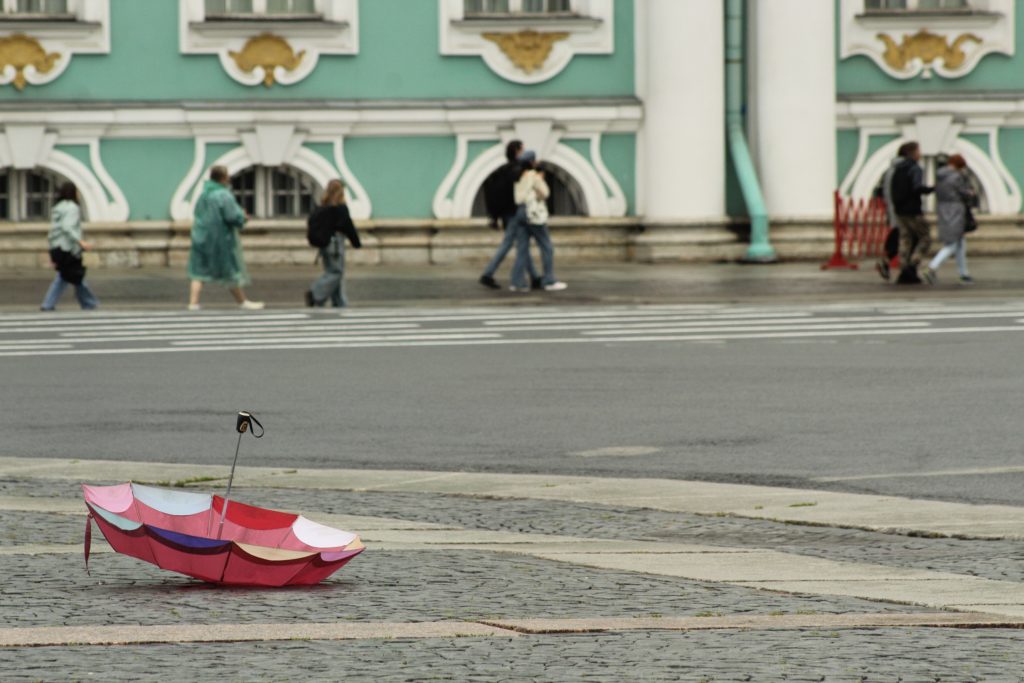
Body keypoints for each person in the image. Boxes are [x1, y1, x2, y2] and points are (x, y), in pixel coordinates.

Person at [186, 166, 263, 310]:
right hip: (220, 239)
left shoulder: (204, 194)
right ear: (223, 178)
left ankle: (193, 302)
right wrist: (243, 217)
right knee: (229, 270)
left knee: (198, 271)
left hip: (201, 237)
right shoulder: (223, 195)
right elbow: (232, 216)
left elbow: (197, 213)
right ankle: (242, 301)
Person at [478, 139, 539, 291]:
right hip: (514, 213)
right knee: (511, 244)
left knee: (521, 245)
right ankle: (488, 273)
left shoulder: (504, 169)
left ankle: (535, 277)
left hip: (507, 213)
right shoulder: (517, 169)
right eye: (522, 149)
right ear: (517, 151)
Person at [509, 150, 567, 292]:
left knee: (522, 249)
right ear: (531, 162)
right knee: (546, 246)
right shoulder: (533, 175)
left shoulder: (518, 176)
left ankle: (517, 282)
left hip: (520, 212)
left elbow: (518, 197)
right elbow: (546, 192)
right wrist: (540, 180)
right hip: (533, 213)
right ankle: (548, 280)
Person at [40, 182, 99, 311]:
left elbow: (54, 231)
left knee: (66, 276)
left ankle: (87, 302)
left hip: (57, 247)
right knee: (75, 275)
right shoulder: (73, 208)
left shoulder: (58, 207)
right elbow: (68, 226)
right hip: (68, 248)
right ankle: (88, 302)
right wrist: (80, 241)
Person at [306, 179, 362, 307]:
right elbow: (348, 227)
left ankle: (339, 301)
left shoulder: (322, 207)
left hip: (324, 245)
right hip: (335, 244)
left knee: (333, 270)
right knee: (336, 272)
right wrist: (356, 242)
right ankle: (315, 293)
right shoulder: (340, 208)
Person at [921, 154, 976, 285]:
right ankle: (932, 267)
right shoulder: (957, 177)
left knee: (960, 243)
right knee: (953, 243)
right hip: (956, 210)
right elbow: (964, 193)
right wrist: (970, 193)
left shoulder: (940, 176)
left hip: (943, 210)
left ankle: (964, 273)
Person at [889, 141, 934, 285]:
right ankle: (913, 264)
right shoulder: (914, 168)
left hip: (899, 209)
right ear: (912, 153)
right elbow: (917, 188)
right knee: (925, 237)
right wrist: (931, 189)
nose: (920, 154)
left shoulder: (896, 168)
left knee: (905, 239)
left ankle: (903, 269)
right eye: (918, 151)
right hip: (913, 210)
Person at [875, 154, 902, 281]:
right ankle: (890, 260)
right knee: (901, 234)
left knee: (897, 233)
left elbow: (880, 191)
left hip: (892, 208)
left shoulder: (888, 171)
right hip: (900, 209)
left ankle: (887, 259)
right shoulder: (900, 170)